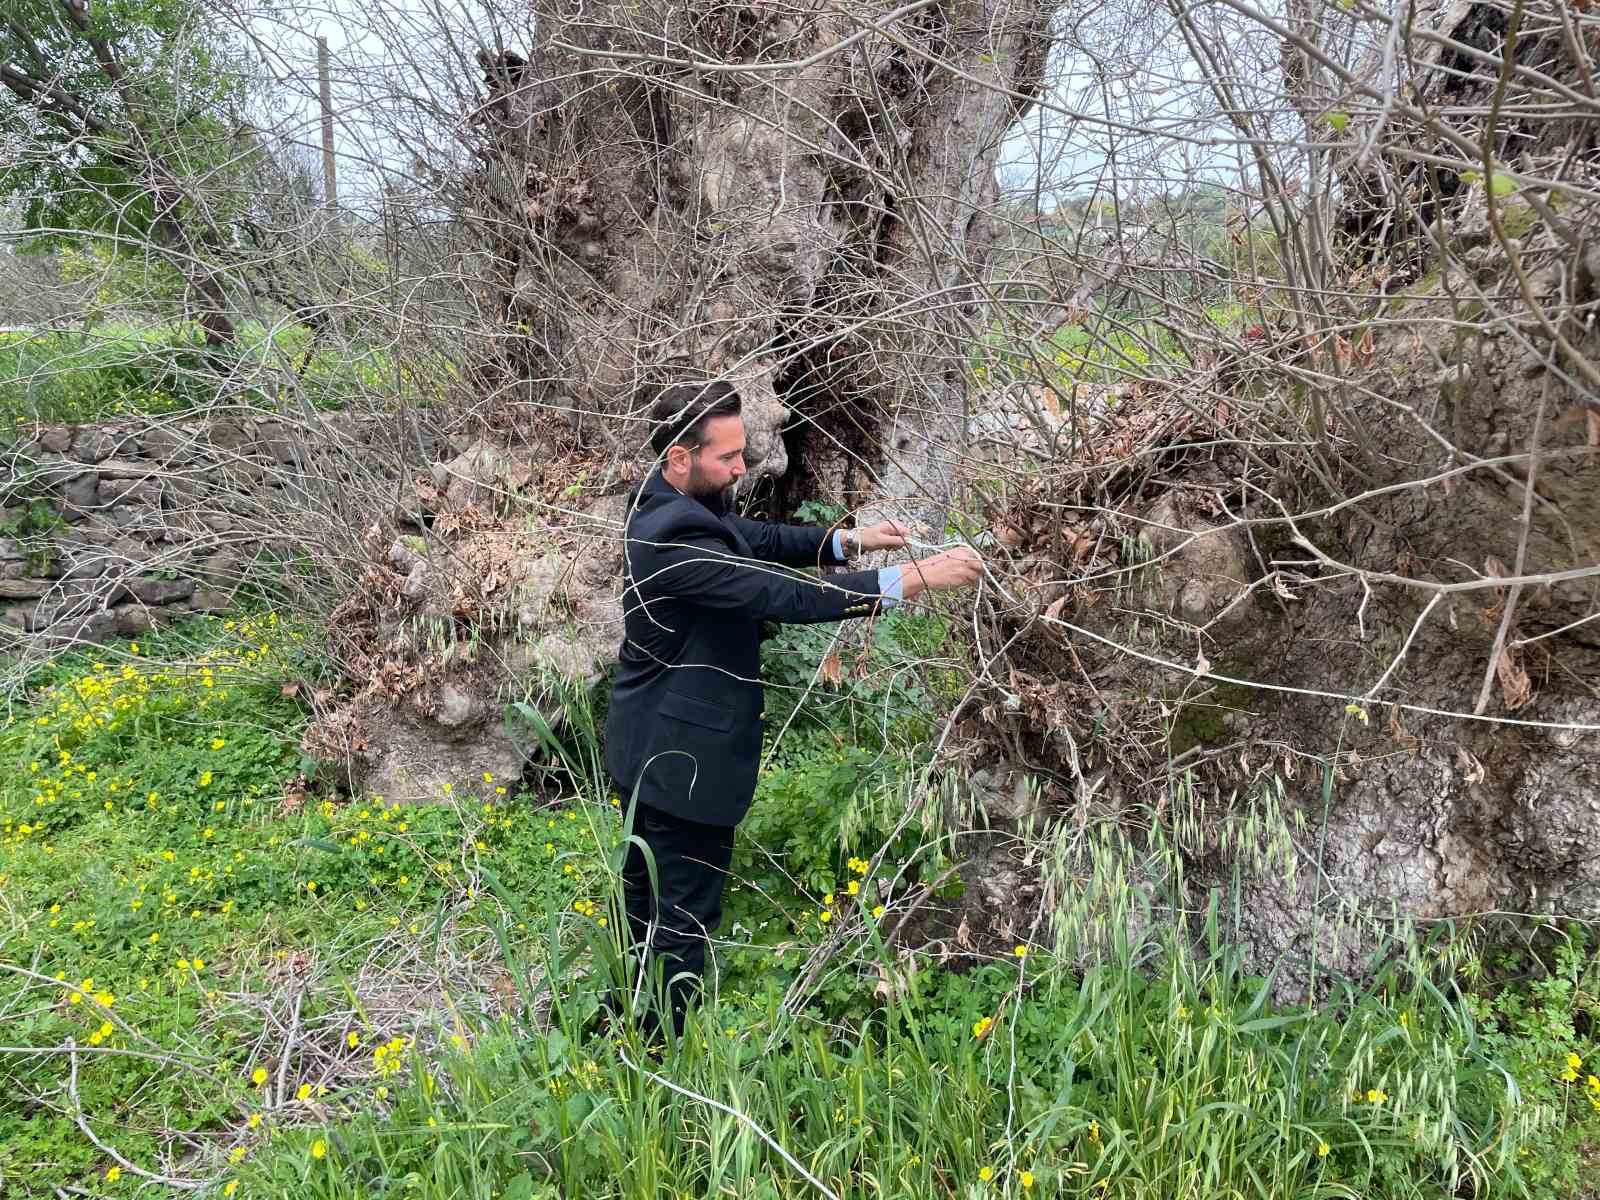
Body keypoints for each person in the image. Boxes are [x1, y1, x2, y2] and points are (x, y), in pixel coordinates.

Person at [602, 379, 983, 1036]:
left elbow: (753, 538)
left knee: (645, 900)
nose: (741, 467)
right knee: (681, 919)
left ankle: (622, 1015)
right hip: (679, 765)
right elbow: (780, 593)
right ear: (679, 459)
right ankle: (654, 1062)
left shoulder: (673, 505)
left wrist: (846, 542)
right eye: (726, 457)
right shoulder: (674, 541)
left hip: (645, 745)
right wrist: (917, 578)